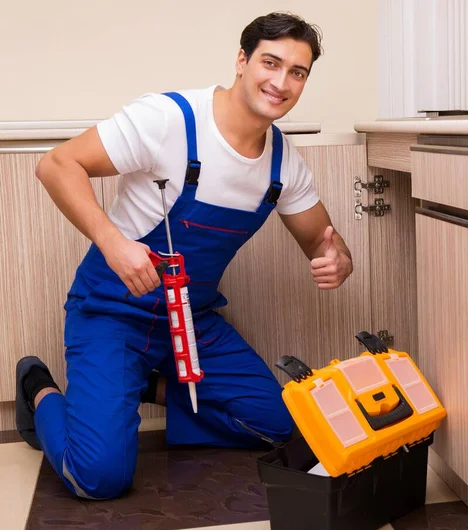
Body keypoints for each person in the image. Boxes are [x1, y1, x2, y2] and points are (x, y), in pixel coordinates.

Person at [14, 12, 353, 500]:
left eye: (297, 72)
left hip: (191, 323)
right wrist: (114, 243)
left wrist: (339, 259)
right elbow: (56, 164)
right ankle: (40, 392)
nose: (281, 82)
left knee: (286, 427)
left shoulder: (283, 163)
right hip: (111, 310)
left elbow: (324, 241)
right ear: (242, 60)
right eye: (270, 62)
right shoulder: (169, 119)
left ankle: (144, 388)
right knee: (100, 477)